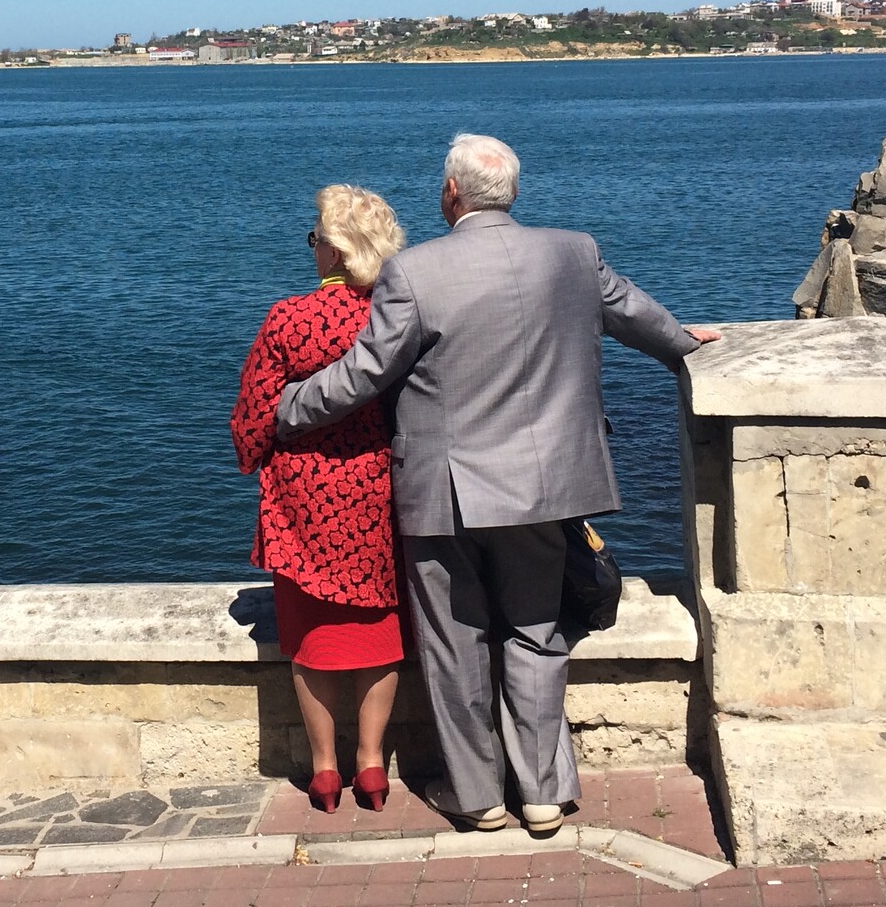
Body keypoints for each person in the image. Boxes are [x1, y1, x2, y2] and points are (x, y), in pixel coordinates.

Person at [277, 134, 719, 836]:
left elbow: (365, 373)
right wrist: (691, 349)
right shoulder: (572, 252)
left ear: (451, 193)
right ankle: (542, 792)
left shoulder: (416, 271)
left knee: (453, 645)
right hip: (546, 488)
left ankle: (476, 794)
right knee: (536, 635)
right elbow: (636, 315)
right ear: (510, 193)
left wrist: (286, 408)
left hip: (442, 495)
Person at [231, 184, 409, 814]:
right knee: (379, 630)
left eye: (317, 239)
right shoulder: (393, 318)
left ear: (334, 253)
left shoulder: (288, 318)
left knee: (309, 640)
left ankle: (325, 771)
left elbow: (252, 416)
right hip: (376, 494)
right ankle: (372, 767)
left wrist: (253, 456)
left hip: (300, 501)